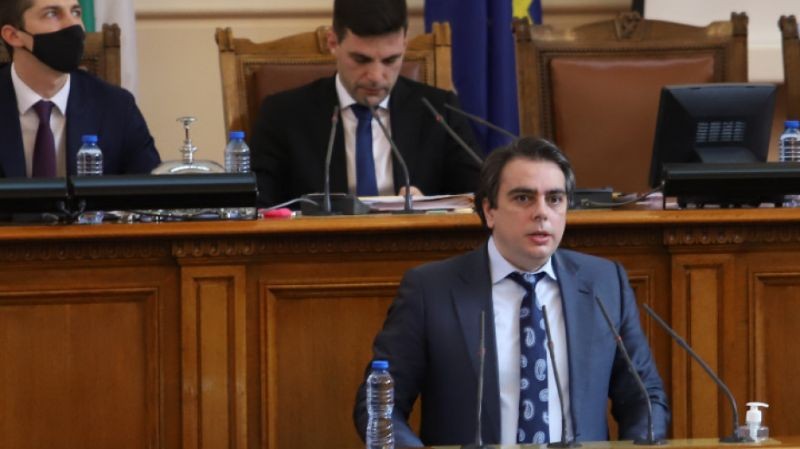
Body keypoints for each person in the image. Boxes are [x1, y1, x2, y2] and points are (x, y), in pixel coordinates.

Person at [353, 137, 669, 447]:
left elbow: (645, 397)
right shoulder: (431, 290)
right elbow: (378, 406)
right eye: (523, 198)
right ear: (489, 210)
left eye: (554, 199)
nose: (541, 212)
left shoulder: (604, 282)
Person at [250, 0, 481, 207]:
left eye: (390, 60)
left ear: (404, 45)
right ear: (333, 42)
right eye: (361, 59)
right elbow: (257, 207)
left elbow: (479, 199)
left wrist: (431, 207)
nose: (376, 77)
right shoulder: (283, 114)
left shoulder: (439, 111)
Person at [0, 0, 160, 178]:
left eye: (76, 12)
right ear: (13, 35)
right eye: (52, 14)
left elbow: (150, 190)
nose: (74, 25)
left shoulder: (116, 106)